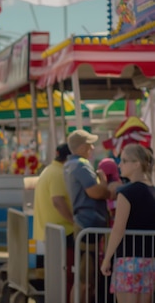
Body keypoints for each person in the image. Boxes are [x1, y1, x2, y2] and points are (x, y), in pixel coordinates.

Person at [64, 129, 118, 303]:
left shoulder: (70, 164)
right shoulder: (81, 164)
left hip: (85, 225)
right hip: (88, 226)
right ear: (81, 147)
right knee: (85, 280)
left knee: (85, 278)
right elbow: (95, 192)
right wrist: (104, 184)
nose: (92, 148)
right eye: (89, 144)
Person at [101, 144, 155, 303]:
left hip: (128, 260)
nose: (119, 164)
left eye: (124, 160)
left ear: (137, 164)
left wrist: (107, 259)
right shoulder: (152, 191)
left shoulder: (126, 193)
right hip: (149, 259)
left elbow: (118, 229)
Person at [32, 143, 74, 301]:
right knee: (65, 276)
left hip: (52, 233)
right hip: (63, 233)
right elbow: (57, 201)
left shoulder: (49, 170)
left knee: (57, 276)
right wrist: (73, 220)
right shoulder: (58, 173)